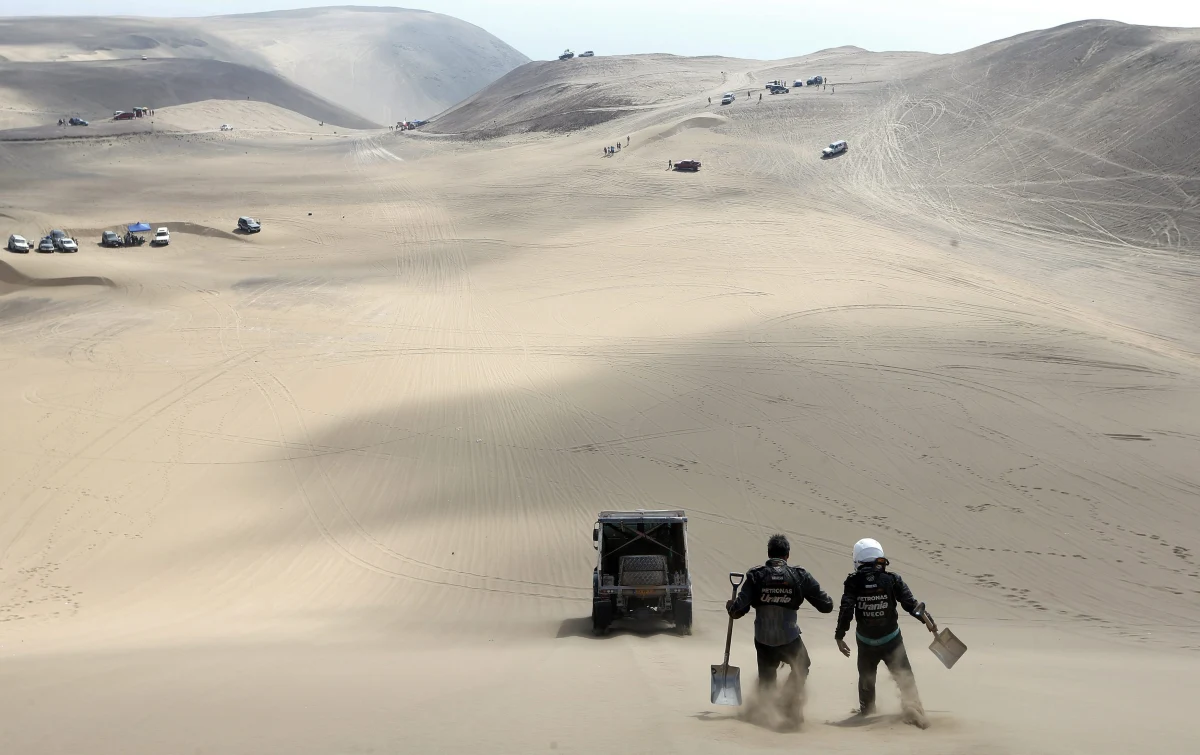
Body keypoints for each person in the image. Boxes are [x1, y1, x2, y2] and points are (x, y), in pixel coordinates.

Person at [727, 533, 833, 726]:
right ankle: (789, 704)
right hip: (789, 638)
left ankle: (761, 716)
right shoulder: (799, 576)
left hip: (763, 639)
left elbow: (737, 611)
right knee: (802, 665)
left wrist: (731, 606)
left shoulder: (755, 575)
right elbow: (826, 606)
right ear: (787, 555)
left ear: (769, 554)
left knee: (767, 679)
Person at [834, 538, 935, 728]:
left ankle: (866, 712)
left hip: (866, 644)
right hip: (892, 642)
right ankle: (916, 714)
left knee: (866, 683)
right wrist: (926, 619)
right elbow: (911, 604)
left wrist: (840, 635)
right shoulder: (892, 579)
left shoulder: (853, 582)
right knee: (906, 681)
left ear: (857, 560)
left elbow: (846, 609)